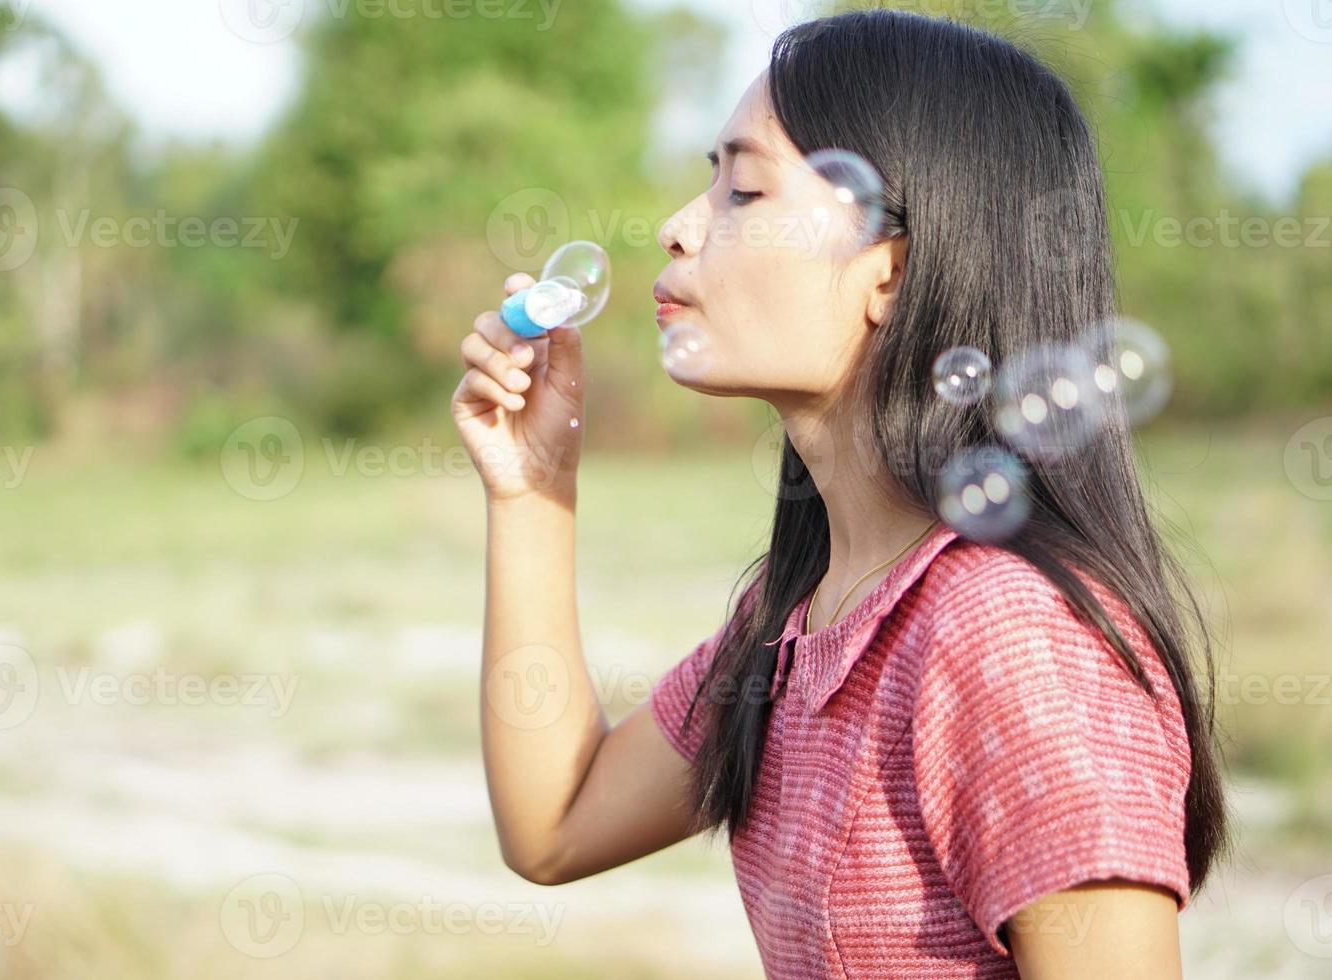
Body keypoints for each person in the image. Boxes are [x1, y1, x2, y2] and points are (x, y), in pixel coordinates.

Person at [451, 10, 1228, 977]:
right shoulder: (798, 622)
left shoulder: (1008, 634)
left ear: (890, 274)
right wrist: (532, 490)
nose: (679, 227)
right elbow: (555, 824)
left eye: (742, 188)